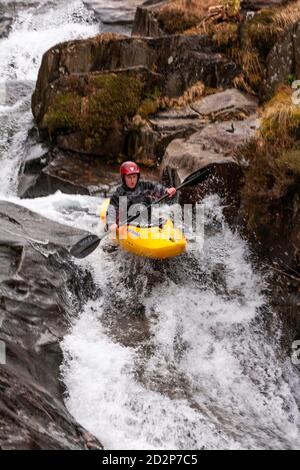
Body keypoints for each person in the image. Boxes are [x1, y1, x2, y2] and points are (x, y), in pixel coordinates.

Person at [106, 161, 177, 231]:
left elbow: (156, 188)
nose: (132, 180)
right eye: (129, 177)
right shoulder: (119, 193)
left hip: (147, 220)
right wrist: (111, 223)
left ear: (138, 176)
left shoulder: (144, 186)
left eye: (134, 177)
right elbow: (111, 210)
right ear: (123, 178)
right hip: (129, 224)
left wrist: (166, 190)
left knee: (164, 221)